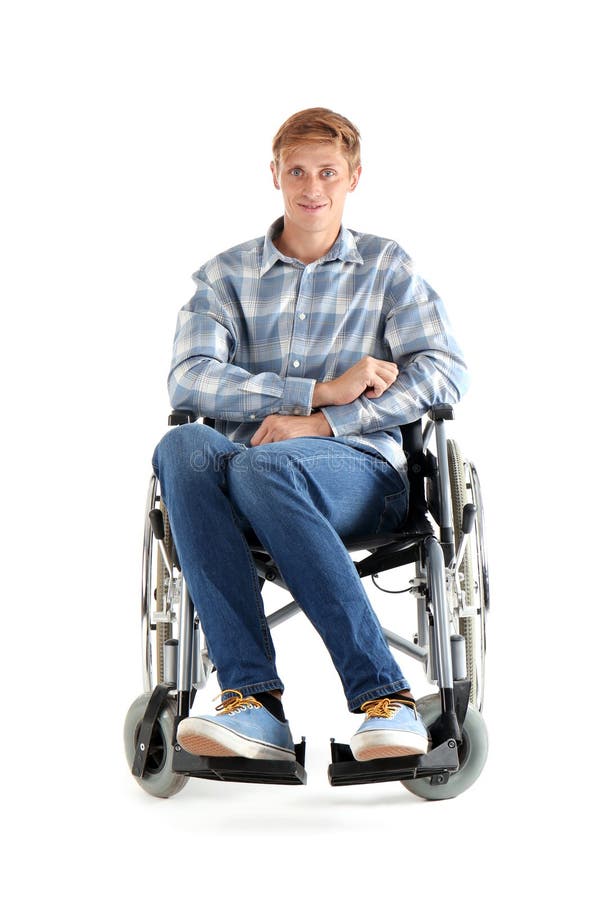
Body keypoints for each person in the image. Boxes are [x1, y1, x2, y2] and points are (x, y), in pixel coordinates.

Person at [152, 107, 469, 765]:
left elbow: (443, 373)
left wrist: (328, 422)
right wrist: (315, 392)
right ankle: (253, 704)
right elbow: (188, 379)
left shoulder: (386, 268)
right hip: (242, 473)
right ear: (274, 174)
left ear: (353, 177)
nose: (311, 187)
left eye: (328, 172)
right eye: (296, 170)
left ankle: (387, 696)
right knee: (181, 448)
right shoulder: (223, 277)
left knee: (265, 468)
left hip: (358, 471)